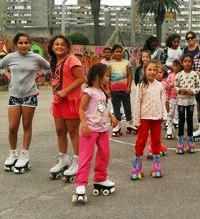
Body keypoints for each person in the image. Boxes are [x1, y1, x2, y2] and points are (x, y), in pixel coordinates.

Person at [0, 32, 51, 174]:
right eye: (20, 43)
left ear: (29, 44)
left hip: (29, 95)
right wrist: (6, 74)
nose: (23, 45)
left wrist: (40, 74)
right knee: (13, 127)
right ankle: (13, 153)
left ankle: (24, 154)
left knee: (26, 125)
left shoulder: (35, 57)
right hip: (14, 95)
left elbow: (49, 67)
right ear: (16, 44)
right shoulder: (10, 57)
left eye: (26, 43)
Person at [72, 63, 118, 203]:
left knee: (105, 154)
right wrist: (84, 125)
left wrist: (111, 116)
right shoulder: (89, 92)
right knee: (86, 157)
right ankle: (81, 184)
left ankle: (100, 178)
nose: (108, 78)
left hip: (102, 129)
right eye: (106, 76)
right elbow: (81, 109)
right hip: (90, 130)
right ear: (98, 76)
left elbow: (102, 107)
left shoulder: (102, 91)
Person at [47, 35, 87, 182]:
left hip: (71, 100)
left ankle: (77, 160)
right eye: (56, 44)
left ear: (67, 47)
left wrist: (65, 91)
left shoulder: (71, 59)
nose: (59, 47)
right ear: (52, 47)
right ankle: (63, 159)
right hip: (58, 101)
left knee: (73, 132)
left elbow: (82, 78)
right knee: (60, 131)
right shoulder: (54, 61)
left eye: (62, 45)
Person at [131, 60, 168, 180]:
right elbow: (137, 103)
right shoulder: (141, 85)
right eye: (149, 70)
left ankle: (156, 161)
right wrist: (136, 120)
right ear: (144, 71)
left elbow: (163, 102)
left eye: (154, 70)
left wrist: (164, 116)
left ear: (158, 72)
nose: (152, 72)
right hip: (144, 118)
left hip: (156, 118)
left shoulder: (160, 85)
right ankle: (137, 161)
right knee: (141, 140)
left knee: (156, 140)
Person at [175, 54, 200, 154]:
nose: (187, 63)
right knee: (181, 120)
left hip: (190, 100)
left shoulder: (194, 75)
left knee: (189, 120)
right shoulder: (179, 74)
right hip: (181, 100)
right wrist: (180, 89)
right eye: (185, 61)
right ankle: (181, 140)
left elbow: (199, 86)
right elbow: (175, 86)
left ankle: (191, 140)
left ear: (192, 63)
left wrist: (193, 91)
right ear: (182, 63)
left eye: (189, 61)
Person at [108, 44, 137, 136]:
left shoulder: (126, 63)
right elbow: (107, 77)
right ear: (113, 53)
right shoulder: (110, 64)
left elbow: (129, 75)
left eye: (120, 51)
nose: (118, 53)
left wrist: (128, 87)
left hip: (125, 90)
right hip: (114, 90)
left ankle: (129, 122)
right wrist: (108, 88)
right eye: (116, 51)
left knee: (127, 106)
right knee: (116, 107)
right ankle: (117, 124)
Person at [145, 64, 169, 159]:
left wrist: (164, 115)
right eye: (156, 71)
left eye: (160, 72)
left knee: (155, 132)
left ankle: (156, 147)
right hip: (148, 112)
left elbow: (163, 101)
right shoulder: (146, 84)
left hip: (158, 113)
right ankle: (156, 147)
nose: (157, 74)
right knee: (150, 132)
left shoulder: (162, 85)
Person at [165, 59, 182, 139]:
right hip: (172, 97)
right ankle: (169, 127)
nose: (174, 67)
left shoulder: (182, 74)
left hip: (181, 97)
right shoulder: (170, 75)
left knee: (180, 113)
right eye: (173, 66)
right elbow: (167, 84)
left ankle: (180, 131)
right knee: (171, 112)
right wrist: (170, 85)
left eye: (176, 65)